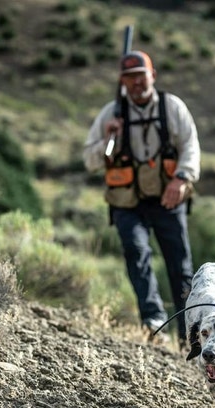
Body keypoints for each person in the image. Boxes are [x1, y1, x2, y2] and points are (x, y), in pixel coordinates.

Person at [83, 50, 200, 347]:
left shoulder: (172, 107)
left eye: (141, 76)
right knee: (136, 254)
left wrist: (182, 178)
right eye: (130, 78)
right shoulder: (112, 113)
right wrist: (108, 138)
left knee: (181, 266)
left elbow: (190, 147)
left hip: (168, 197)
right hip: (127, 202)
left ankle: (189, 333)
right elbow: (90, 160)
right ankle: (154, 322)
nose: (137, 83)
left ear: (153, 76)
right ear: (123, 81)